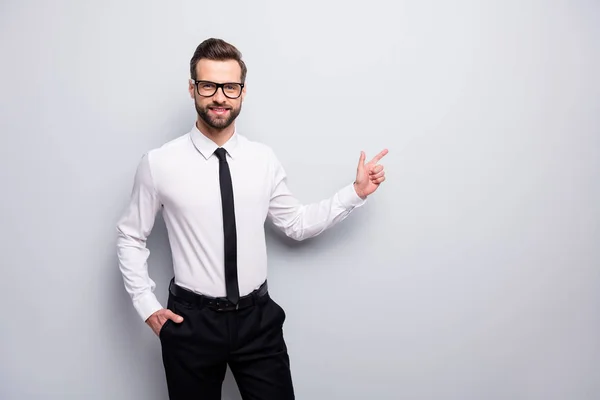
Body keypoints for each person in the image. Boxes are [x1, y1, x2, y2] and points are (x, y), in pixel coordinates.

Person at [116, 37, 388, 400]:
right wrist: (147, 306)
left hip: (257, 320)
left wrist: (354, 193)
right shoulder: (159, 163)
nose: (219, 97)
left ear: (242, 92)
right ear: (192, 88)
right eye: (209, 85)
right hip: (192, 323)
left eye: (230, 87)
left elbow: (296, 223)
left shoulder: (263, 160)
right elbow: (130, 236)